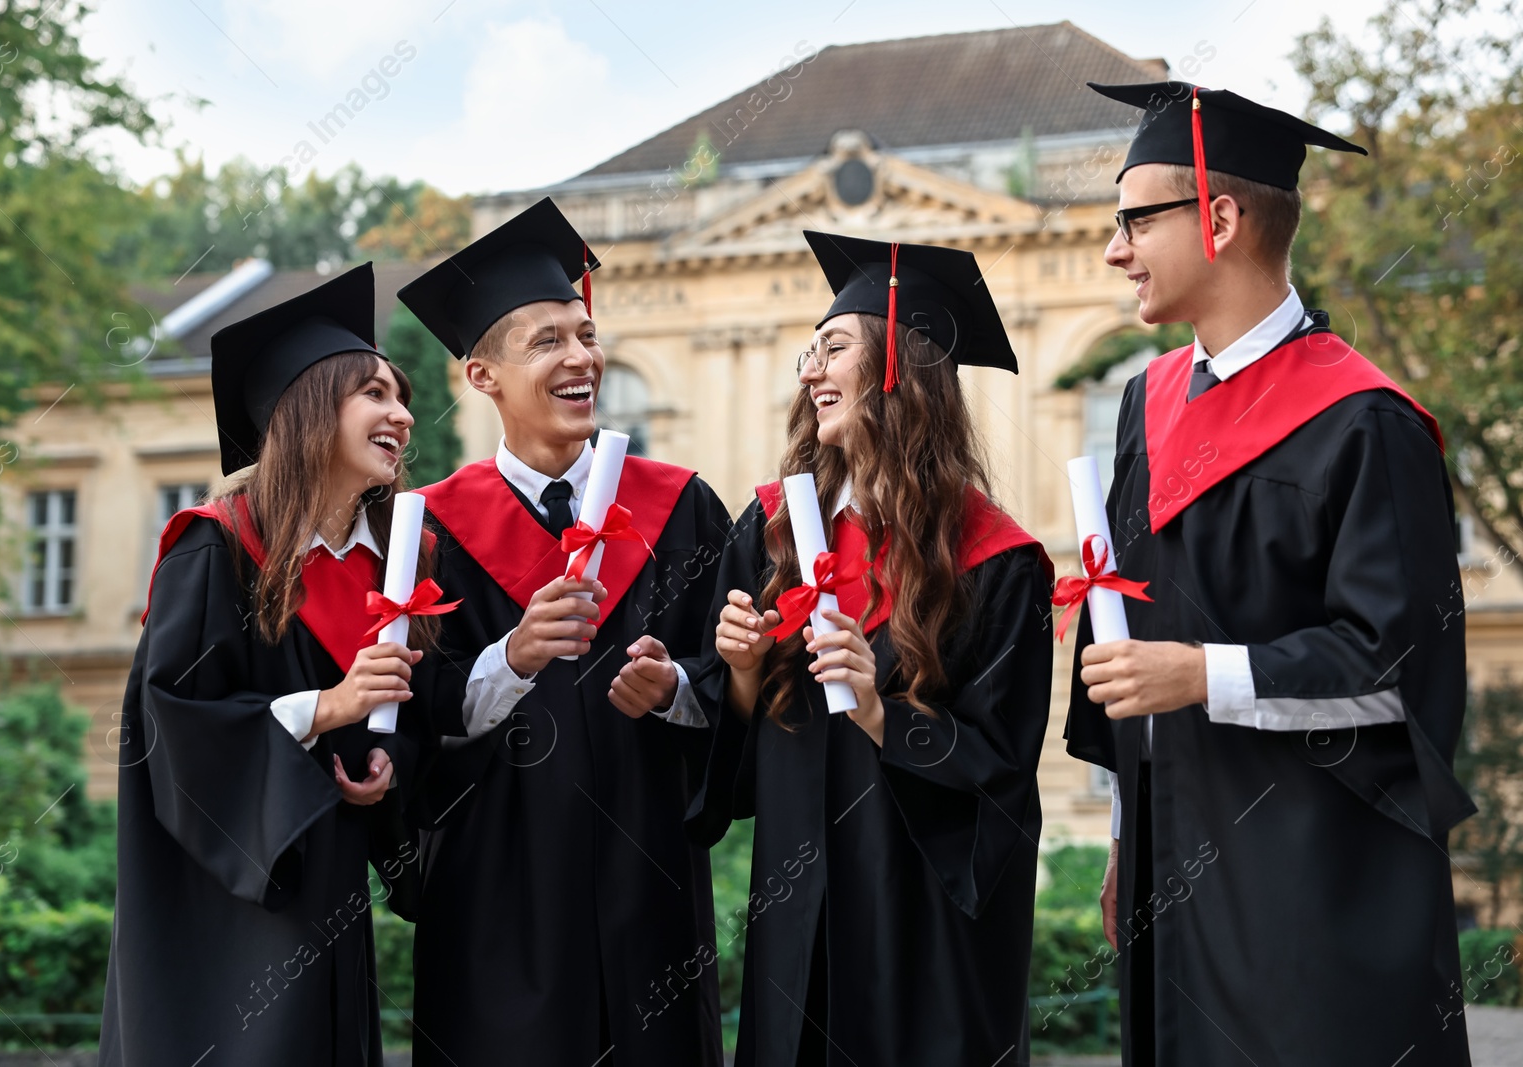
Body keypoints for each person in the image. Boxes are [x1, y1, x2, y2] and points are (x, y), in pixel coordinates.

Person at [1065, 81, 1473, 1066]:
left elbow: (1396, 659)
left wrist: (1205, 674)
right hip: (1174, 855)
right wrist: (1127, 825)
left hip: (1314, 871)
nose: (1114, 249)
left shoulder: (1363, 420)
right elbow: (1125, 636)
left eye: (1133, 221)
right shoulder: (1143, 404)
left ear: (1218, 217)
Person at [689, 230, 1055, 1066]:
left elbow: (1001, 774)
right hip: (795, 929)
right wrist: (741, 671)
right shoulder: (771, 535)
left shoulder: (997, 562)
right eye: (806, 355)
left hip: (922, 942)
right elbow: (729, 765)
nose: (811, 370)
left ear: (899, 368)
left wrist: (883, 714)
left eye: (835, 348)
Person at [397, 197, 731, 1066]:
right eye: (548, 341)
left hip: (648, 891)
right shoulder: (428, 531)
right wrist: (509, 657)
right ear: (482, 377)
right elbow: (406, 714)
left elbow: (739, 677)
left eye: (585, 335)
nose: (583, 356)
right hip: (496, 900)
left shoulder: (681, 507)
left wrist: (681, 690)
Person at [100, 263, 436, 1066]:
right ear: (310, 410)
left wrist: (385, 772)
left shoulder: (389, 570)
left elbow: (412, 725)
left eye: (402, 395)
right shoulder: (213, 549)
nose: (403, 413)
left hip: (326, 892)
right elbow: (170, 723)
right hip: (224, 901)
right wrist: (328, 707)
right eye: (376, 394)